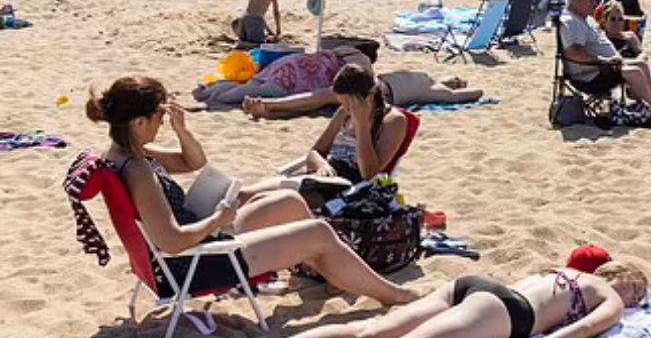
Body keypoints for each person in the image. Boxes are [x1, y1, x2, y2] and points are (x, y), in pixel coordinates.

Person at [87, 76, 416, 306]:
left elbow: (193, 162)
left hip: (195, 249)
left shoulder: (122, 154)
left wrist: (181, 130)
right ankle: (392, 295)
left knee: (289, 201)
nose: (161, 124)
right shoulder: (139, 170)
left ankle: (332, 274)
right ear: (138, 122)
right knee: (318, 231)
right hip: (194, 265)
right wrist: (218, 219)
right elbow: (172, 243)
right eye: (159, 118)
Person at [292, 263, 649, 338]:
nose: (636, 301)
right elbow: (585, 329)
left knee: (368, 332)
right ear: (623, 281)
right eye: (638, 293)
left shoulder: (557, 270)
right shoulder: (607, 296)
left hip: (472, 286)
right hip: (507, 312)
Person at [560, 0, 651, 123]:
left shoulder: (584, 19)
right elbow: (574, 54)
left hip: (603, 67)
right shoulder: (570, 22)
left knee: (642, 64)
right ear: (576, 0)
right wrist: (603, 61)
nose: (594, 3)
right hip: (590, 74)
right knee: (635, 71)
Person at [299, 65, 407, 183]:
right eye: (342, 103)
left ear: (369, 97)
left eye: (350, 104)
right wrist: (321, 165)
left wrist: (362, 125)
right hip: (327, 176)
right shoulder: (344, 112)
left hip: (350, 186)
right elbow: (315, 152)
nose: (346, 108)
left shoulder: (393, 121)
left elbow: (368, 174)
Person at [244, 69, 483, 119]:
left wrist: (463, 90)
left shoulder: (429, 86)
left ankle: (268, 107)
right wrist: (457, 90)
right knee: (321, 100)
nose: (454, 82)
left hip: (379, 86)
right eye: (456, 80)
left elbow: (463, 95)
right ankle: (267, 106)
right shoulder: (430, 85)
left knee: (320, 101)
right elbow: (458, 95)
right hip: (376, 89)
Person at [193, 44, 373, 108]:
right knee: (255, 91)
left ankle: (207, 91)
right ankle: (217, 98)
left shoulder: (341, 50)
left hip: (292, 61)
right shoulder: (361, 62)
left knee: (251, 83)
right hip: (297, 78)